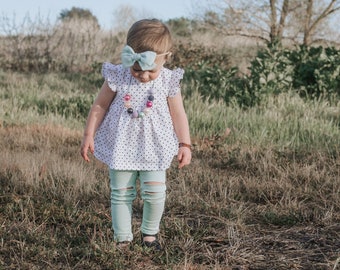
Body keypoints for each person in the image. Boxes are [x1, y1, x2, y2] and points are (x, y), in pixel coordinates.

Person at [80, 19, 191, 250]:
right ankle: (123, 238)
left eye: (151, 70)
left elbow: (178, 113)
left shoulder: (169, 79)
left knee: (155, 193)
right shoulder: (118, 75)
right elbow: (99, 105)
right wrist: (89, 134)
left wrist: (185, 144)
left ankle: (150, 234)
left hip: (155, 147)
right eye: (137, 69)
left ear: (166, 58)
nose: (143, 75)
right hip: (121, 145)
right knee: (120, 193)